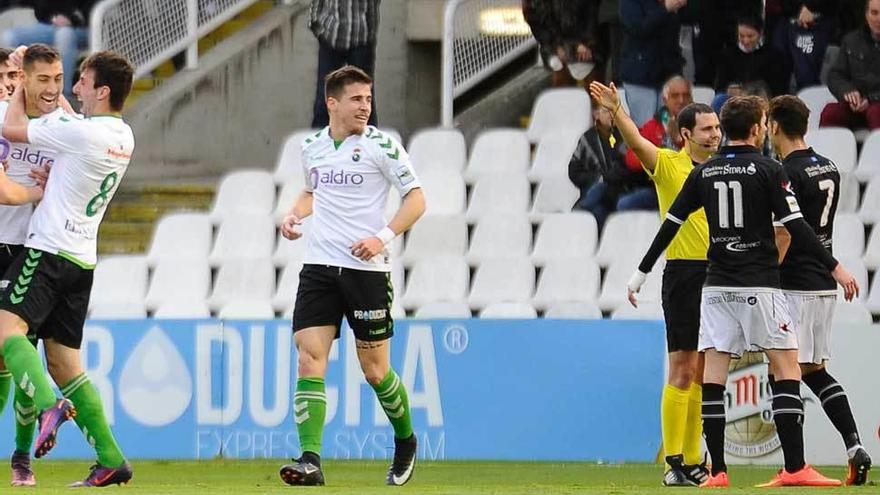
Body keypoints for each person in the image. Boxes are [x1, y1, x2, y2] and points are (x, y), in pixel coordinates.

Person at [628, 95, 859, 487]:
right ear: (756, 129)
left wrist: (640, 273)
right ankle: (796, 467)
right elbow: (796, 225)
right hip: (760, 284)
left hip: (716, 289)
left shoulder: (704, 172)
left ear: (727, 130)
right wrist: (834, 266)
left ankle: (717, 470)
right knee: (788, 365)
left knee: (713, 375)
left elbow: (671, 223)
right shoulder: (770, 169)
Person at [278, 65, 424, 487]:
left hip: (366, 272)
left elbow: (417, 199)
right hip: (320, 267)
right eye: (357, 99)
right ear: (333, 103)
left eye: (368, 98)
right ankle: (310, 461)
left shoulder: (382, 146)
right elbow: (311, 192)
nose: (366, 106)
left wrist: (382, 237)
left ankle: (406, 440)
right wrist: (293, 214)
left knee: (375, 371)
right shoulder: (312, 148)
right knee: (309, 358)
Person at [0, 48, 135, 487]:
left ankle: (45, 407)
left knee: (5, 333)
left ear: (101, 90)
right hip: (83, 261)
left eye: (77, 80)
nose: (69, 88)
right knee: (65, 365)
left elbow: (13, 128)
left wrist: (21, 84)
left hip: (48, 251)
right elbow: (67, 131)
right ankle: (112, 458)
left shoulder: (77, 132)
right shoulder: (121, 135)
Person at [590, 80, 720, 486]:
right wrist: (619, 111)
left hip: (718, 275)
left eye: (717, 128)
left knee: (701, 370)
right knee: (681, 368)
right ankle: (674, 462)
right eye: (707, 129)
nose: (715, 134)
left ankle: (695, 459)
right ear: (686, 135)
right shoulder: (668, 164)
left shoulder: (721, 170)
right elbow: (636, 144)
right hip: (683, 273)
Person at [768, 94, 872, 486]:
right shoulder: (827, 167)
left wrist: (764, 278)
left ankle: (793, 467)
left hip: (794, 283)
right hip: (822, 286)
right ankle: (854, 445)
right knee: (814, 370)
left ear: (775, 126)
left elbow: (786, 232)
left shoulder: (785, 173)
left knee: (781, 374)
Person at [0, 42, 66, 488]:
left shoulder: (63, 124)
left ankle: (23, 456)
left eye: (14, 75)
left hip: (33, 248)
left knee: (17, 350)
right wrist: (39, 193)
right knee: (5, 359)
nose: (10, 84)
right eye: (8, 76)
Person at [568, 105, 655, 230]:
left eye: (614, 111)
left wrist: (609, 178)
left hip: (622, 189)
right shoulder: (587, 138)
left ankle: (578, 211)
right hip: (595, 192)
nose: (611, 115)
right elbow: (574, 172)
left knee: (602, 189)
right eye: (606, 111)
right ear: (596, 114)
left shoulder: (628, 135)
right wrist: (598, 178)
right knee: (598, 210)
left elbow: (633, 169)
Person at [309, 0, 380, 128]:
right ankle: (319, 143)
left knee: (364, 96)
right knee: (325, 96)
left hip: (361, 39)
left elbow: (373, 5)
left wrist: (369, 36)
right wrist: (317, 27)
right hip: (331, 37)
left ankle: (367, 143)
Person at [2, 1, 94, 98]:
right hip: (52, 26)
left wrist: (72, 20)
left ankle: (61, 94)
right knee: (10, 36)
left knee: (64, 34)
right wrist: (53, 18)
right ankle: (12, 90)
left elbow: (92, 10)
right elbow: (41, 10)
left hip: (85, 27)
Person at [618, 0, 685, 126]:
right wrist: (665, 9)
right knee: (646, 128)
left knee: (669, 129)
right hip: (640, 75)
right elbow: (638, 28)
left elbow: (690, 20)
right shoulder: (629, 3)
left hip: (669, 73)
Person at [820, 0, 880, 130]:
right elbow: (835, 75)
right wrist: (847, 91)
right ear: (866, 14)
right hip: (855, 105)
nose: (878, 19)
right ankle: (826, 150)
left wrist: (870, 99)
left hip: (876, 105)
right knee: (830, 112)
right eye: (874, 13)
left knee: (875, 113)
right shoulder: (851, 40)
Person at [712, 16, 788, 113]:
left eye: (750, 36)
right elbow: (720, 84)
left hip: (762, 100)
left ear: (760, 34)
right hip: (734, 101)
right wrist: (729, 89)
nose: (746, 41)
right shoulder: (729, 53)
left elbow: (779, 87)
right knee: (719, 100)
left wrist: (752, 92)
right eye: (741, 36)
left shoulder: (773, 54)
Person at [523, 0, 603, 84]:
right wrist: (556, 45)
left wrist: (584, 42)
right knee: (559, 67)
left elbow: (592, 14)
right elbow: (537, 22)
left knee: (591, 78)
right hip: (555, 43)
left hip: (585, 40)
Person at [623, 75, 692, 171]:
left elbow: (703, 156)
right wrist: (656, 155)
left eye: (686, 95)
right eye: (675, 96)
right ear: (665, 100)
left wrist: (679, 142)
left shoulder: (700, 124)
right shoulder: (654, 125)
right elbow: (631, 159)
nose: (681, 100)